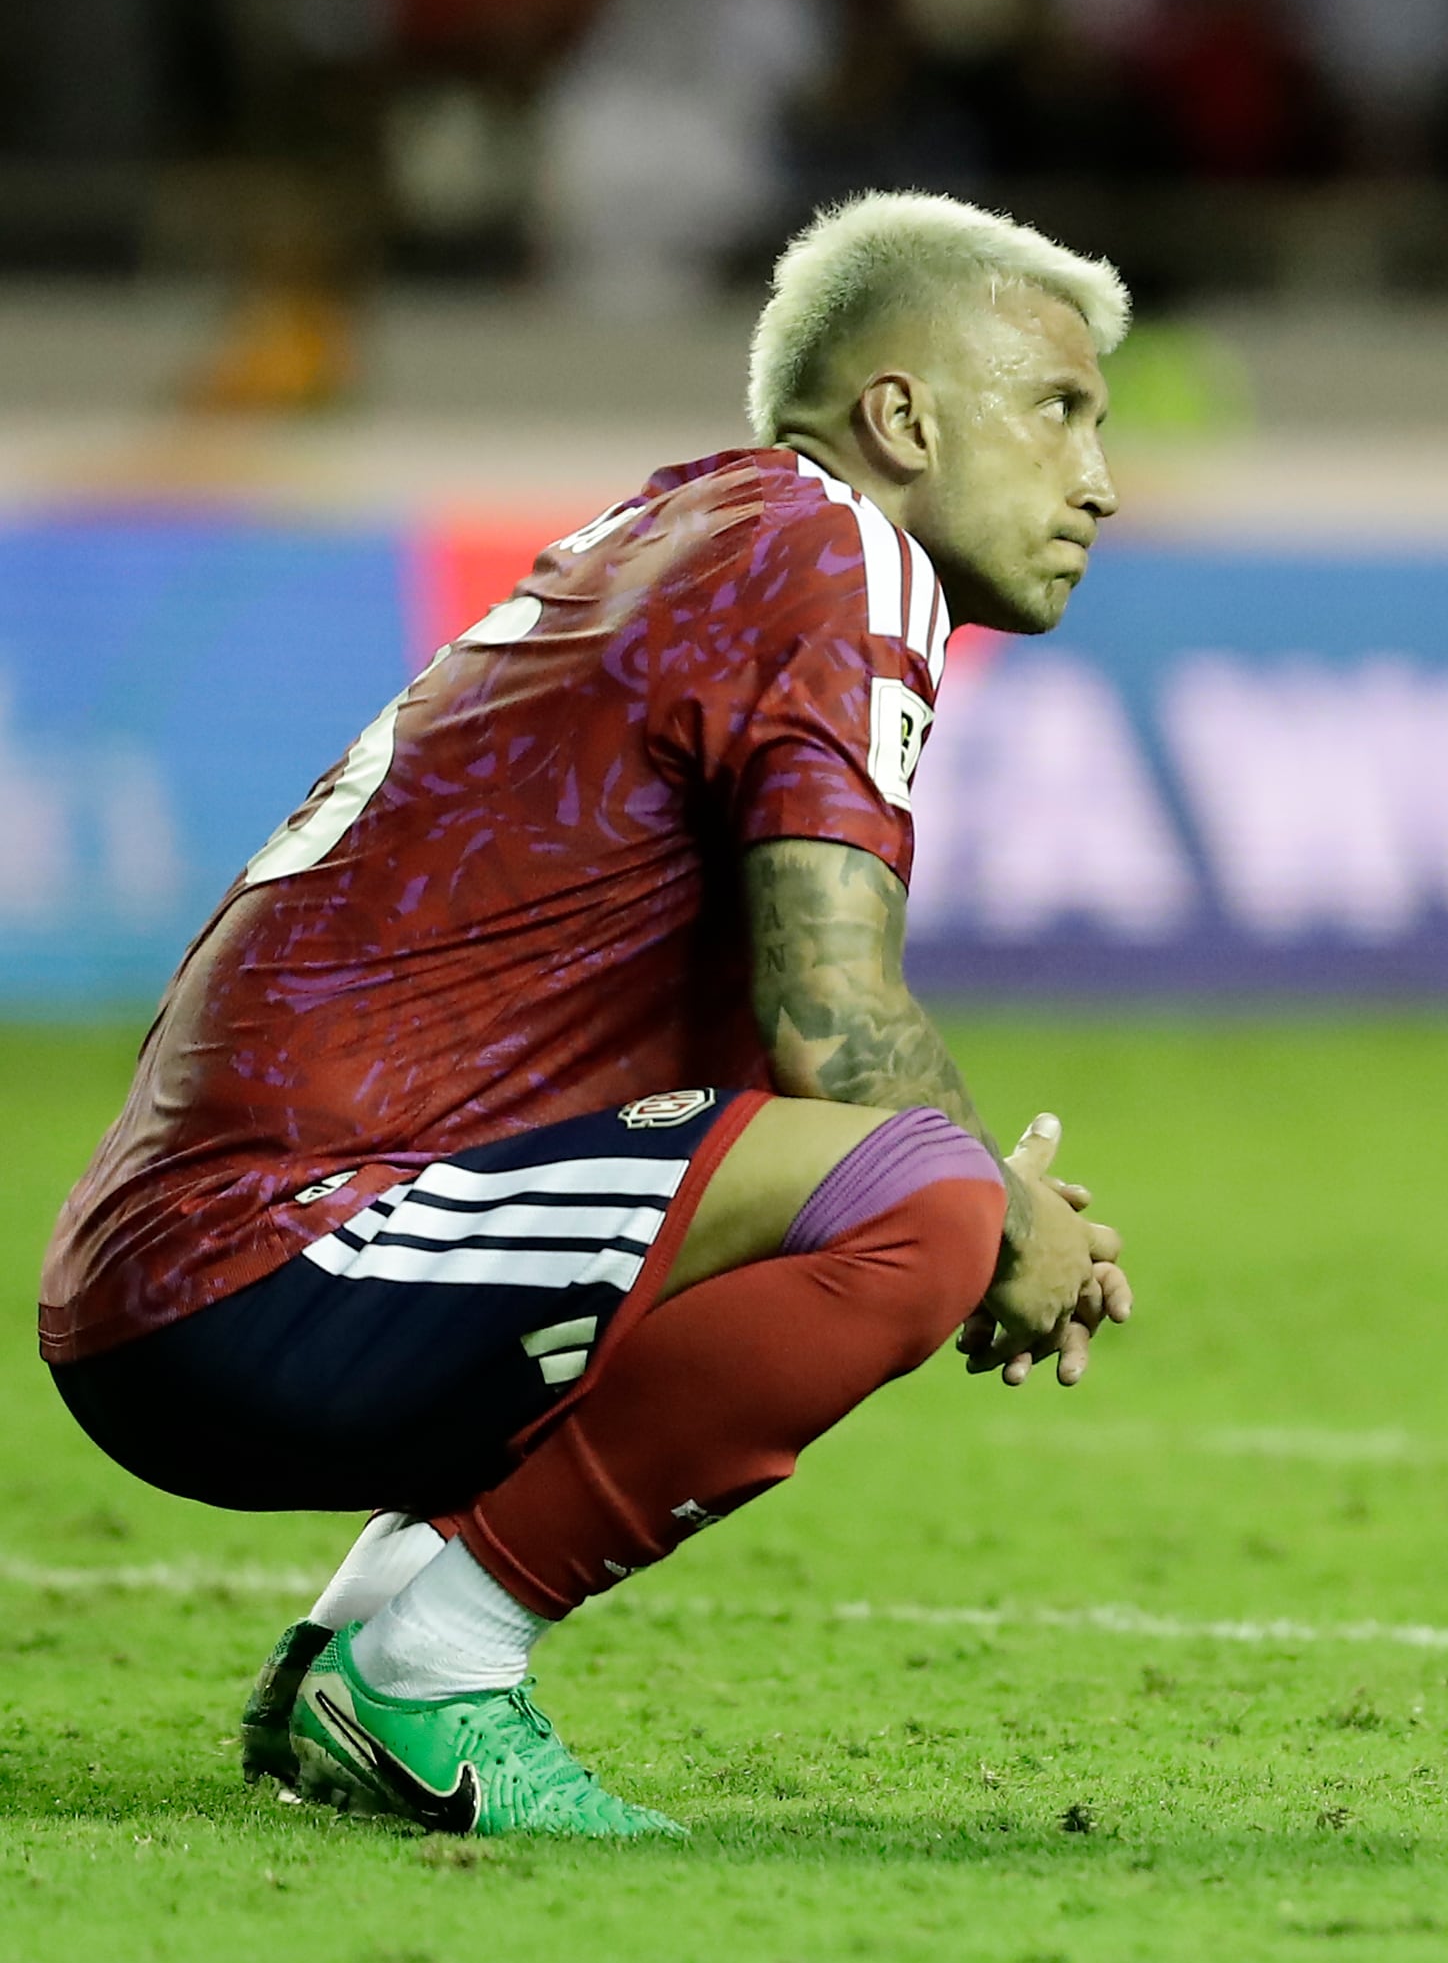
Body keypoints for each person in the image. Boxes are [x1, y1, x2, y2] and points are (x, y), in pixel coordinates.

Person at [33, 191, 1144, 1835]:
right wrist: (1005, 1226)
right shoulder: (837, 551)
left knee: (812, 1152)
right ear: (900, 417)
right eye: (1058, 407)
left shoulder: (695, 533)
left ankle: (356, 1642)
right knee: (914, 1196)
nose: (1100, 479)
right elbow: (837, 1021)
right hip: (276, 1260)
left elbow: (764, 1055)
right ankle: (431, 1670)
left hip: (183, 1277)